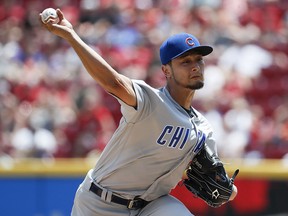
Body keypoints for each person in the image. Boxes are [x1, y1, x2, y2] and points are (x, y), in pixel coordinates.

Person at [40, 9, 237, 216]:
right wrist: (72, 36)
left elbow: (220, 184)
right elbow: (113, 82)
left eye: (199, 60)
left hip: (151, 205)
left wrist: (228, 189)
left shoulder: (203, 128)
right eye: (185, 62)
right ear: (166, 71)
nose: (195, 66)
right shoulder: (150, 101)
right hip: (100, 203)